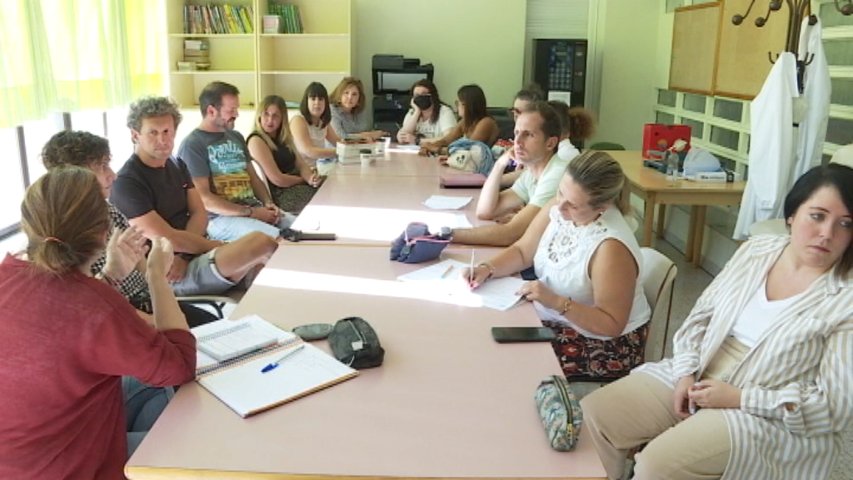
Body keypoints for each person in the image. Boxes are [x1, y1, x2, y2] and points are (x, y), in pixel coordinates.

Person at [581, 163, 853, 480]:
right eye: (817, 216)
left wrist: (740, 398)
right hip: (702, 367)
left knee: (658, 465)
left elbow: (834, 408)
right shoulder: (756, 251)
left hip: (766, 409)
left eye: (845, 224)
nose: (827, 234)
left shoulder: (845, 298)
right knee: (597, 415)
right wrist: (685, 371)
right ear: (792, 215)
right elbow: (700, 317)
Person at [0, 167, 196, 479]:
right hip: (73, 468)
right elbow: (181, 365)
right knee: (199, 438)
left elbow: (64, 327)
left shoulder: (8, 276)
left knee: (153, 396)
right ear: (104, 232)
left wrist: (111, 278)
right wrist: (157, 275)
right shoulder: (94, 305)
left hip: (20, 461)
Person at [466, 151, 651, 379]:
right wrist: (487, 268)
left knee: (507, 364)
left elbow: (611, 324)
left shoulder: (610, 246)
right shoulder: (561, 205)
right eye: (560, 192)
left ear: (602, 207)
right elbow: (523, 251)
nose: (560, 207)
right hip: (557, 317)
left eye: (572, 205)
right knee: (483, 331)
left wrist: (555, 301)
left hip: (606, 344)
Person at [40, 130, 217, 328]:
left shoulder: (107, 209)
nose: (112, 175)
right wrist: (157, 324)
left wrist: (162, 298)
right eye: (102, 166)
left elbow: (141, 261)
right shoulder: (62, 231)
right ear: (74, 175)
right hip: (117, 316)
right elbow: (93, 302)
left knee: (215, 325)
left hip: (145, 299)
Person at [111, 95, 278, 298]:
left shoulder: (177, 165)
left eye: (167, 132)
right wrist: (218, 247)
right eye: (153, 133)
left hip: (190, 255)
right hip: (168, 272)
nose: (163, 140)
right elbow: (166, 237)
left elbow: (200, 213)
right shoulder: (127, 182)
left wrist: (186, 254)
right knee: (261, 243)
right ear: (135, 135)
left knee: (267, 270)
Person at [176, 81, 295, 242]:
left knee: (301, 228)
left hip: (251, 209)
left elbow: (253, 178)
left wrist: (268, 203)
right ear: (211, 111)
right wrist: (251, 213)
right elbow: (204, 199)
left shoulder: (236, 137)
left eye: (236, 109)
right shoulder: (193, 145)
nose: (237, 114)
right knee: (277, 240)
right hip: (219, 219)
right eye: (231, 110)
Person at [449, 102, 569, 247]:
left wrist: (447, 234)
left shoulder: (556, 174)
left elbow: (510, 234)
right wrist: (500, 164)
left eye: (528, 135)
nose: (517, 142)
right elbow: (485, 211)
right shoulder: (531, 173)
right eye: (517, 133)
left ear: (550, 143)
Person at [247, 95, 322, 214]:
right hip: (281, 194)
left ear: (282, 118)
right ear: (259, 115)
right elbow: (278, 179)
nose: (270, 120)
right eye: (266, 114)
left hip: (296, 185)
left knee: (329, 186)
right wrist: (302, 180)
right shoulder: (256, 140)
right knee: (324, 196)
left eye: (275, 116)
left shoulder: (283, 138)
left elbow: (301, 164)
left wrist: (310, 178)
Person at [419, 84, 500, 154]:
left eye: (458, 103)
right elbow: (446, 141)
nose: (456, 106)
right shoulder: (465, 121)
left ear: (467, 105)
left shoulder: (486, 122)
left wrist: (436, 149)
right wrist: (429, 146)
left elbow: (468, 150)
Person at [290, 82, 342, 163]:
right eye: (313, 99)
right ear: (306, 101)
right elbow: (309, 151)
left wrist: (357, 146)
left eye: (321, 99)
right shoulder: (298, 120)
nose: (317, 103)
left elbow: (338, 142)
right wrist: (339, 152)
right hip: (297, 170)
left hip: (315, 168)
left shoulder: (323, 121)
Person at [396, 79, 457, 145]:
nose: (420, 98)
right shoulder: (412, 112)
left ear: (433, 96)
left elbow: (449, 138)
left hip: (437, 153)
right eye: (416, 95)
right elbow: (403, 135)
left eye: (424, 94)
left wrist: (418, 141)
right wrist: (417, 112)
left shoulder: (444, 111)